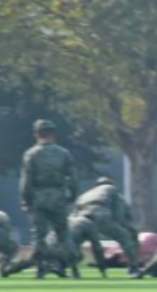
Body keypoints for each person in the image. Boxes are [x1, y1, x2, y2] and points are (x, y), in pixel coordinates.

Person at [19, 119, 79, 279]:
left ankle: (40, 269)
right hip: (58, 196)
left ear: (36, 134)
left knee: (39, 236)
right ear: (53, 133)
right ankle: (74, 268)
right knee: (64, 234)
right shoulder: (64, 153)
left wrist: (26, 199)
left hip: (38, 197)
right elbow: (73, 178)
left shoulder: (31, 154)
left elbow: (26, 181)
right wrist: (72, 196)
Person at [73, 176, 143, 277]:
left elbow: (74, 214)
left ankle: (62, 265)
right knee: (125, 237)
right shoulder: (111, 189)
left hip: (81, 217)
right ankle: (133, 268)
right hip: (100, 215)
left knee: (74, 242)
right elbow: (119, 210)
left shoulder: (85, 195)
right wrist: (117, 225)